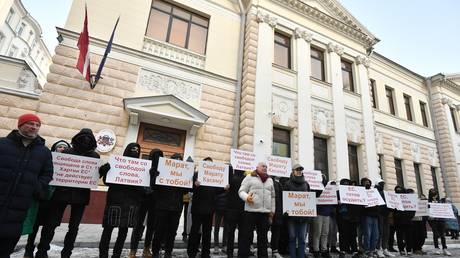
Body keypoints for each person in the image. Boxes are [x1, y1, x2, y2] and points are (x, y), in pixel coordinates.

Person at [36, 128, 100, 258]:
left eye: (89, 138)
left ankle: (66, 253)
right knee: (51, 224)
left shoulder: (95, 156)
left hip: (81, 195)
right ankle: (42, 251)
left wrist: (102, 171)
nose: (86, 140)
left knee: (73, 227)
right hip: (61, 194)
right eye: (83, 137)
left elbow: (93, 176)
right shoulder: (66, 152)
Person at [0, 114, 53, 258]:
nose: (34, 127)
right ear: (20, 125)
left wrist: (35, 186)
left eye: (37, 125)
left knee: (6, 249)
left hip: (20, 207)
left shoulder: (43, 152)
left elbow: (47, 174)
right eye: (30, 124)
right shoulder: (3, 144)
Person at [23, 140, 70, 258]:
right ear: (54, 148)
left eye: (65, 147)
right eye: (60, 146)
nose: (62, 149)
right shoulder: (46, 159)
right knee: (34, 226)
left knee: (50, 227)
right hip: (42, 198)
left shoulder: (71, 163)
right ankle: (29, 249)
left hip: (58, 201)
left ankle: (43, 250)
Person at [98, 143, 145, 258]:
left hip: (131, 204)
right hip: (114, 203)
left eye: (137, 150)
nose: (135, 151)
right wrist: (106, 171)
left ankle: (116, 255)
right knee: (108, 231)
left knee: (123, 233)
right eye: (132, 149)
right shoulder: (117, 164)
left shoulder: (141, 168)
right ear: (127, 150)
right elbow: (107, 182)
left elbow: (145, 190)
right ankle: (103, 255)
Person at [151, 153, 189, 258]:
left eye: (179, 160)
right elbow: (154, 187)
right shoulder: (162, 172)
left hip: (176, 207)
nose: (177, 162)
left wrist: (188, 181)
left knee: (172, 232)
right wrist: (155, 176)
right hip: (162, 206)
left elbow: (186, 191)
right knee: (159, 231)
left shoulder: (182, 174)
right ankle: (155, 251)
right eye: (175, 160)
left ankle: (168, 252)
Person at [187, 157, 227, 258]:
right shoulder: (196, 175)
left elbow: (217, 191)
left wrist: (224, 189)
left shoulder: (214, 176)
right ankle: (191, 253)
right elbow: (189, 187)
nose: (209, 165)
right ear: (203, 164)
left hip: (209, 209)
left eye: (211, 164)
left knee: (207, 233)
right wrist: (194, 185)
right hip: (197, 208)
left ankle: (206, 253)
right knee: (194, 232)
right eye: (207, 163)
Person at [128, 148, 163, 258]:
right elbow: (137, 182)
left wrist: (155, 178)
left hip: (155, 201)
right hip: (142, 200)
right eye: (155, 156)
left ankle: (147, 249)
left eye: (159, 156)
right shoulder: (143, 166)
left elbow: (162, 186)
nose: (157, 158)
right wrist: (144, 190)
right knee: (138, 226)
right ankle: (133, 250)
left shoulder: (162, 169)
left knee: (151, 227)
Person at [238, 162, 275, 258]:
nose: (265, 168)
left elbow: (273, 197)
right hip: (250, 212)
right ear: (257, 167)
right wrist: (246, 197)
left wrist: (272, 211)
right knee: (246, 236)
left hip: (264, 213)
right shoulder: (249, 177)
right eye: (263, 166)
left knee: (263, 238)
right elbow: (241, 191)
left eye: (266, 166)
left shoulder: (270, 180)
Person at [283, 164, 310, 258]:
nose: (299, 171)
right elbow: (284, 198)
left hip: (304, 216)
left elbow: (309, 198)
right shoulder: (287, 183)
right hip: (291, 216)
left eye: (301, 170)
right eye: (297, 169)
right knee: (292, 237)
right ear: (293, 171)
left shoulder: (306, 184)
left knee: (302, 239)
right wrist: (286, 211)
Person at [225, 166, 244, 258]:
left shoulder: (231, 178)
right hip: (242, 209)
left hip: (231, 208)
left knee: (230, 232)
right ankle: (240, 252)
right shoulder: (245, 179)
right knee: (241, 232)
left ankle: (230, 253)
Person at [428, 188, 451, 256]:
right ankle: (436, 248)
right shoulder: (428, 202)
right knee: (435, 234)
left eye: (436, 195)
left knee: (442, 235)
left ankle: (444, 248)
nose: (435, 197)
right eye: (433, 195)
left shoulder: (440, 202)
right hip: (433, 221)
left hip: (441, 220)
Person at [360, 178, 380, 258]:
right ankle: (367, 250)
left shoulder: (374, 192)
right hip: (366, 216)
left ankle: (372, 250)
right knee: (367, 234)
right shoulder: (361, 192)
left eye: (368, 182)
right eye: (365, 182)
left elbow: (378, 203)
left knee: (375, 235)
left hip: (375, 216)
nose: (367, 183)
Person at [373, 180, 393, 258]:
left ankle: (385, 248)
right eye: (381, 184)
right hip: (379, 214)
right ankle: (378, 248)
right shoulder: (374, 192)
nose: (383, 185)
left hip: (386, 214)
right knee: (380, 232)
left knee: (386, 232)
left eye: (383, 184)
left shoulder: (385, 192)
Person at [270, 176, 284, 258]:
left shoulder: (279, 184)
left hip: (277, 211)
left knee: (276, 231)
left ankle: (274, 250)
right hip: (266, 211)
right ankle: (266, 250)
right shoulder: (265, 181)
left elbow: (281, 198)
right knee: (263, 232)